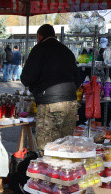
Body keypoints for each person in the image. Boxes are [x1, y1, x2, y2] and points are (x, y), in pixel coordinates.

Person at [21, 24, 82, 155]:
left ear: (39, 36)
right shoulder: (66, 51)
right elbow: (78, 79)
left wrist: (36, 89)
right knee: (65, 145)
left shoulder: (39, 49)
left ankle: (50, 173)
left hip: (50, 102)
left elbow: (27, 77)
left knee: (47, 147)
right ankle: (63, 173)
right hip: (71, 103)